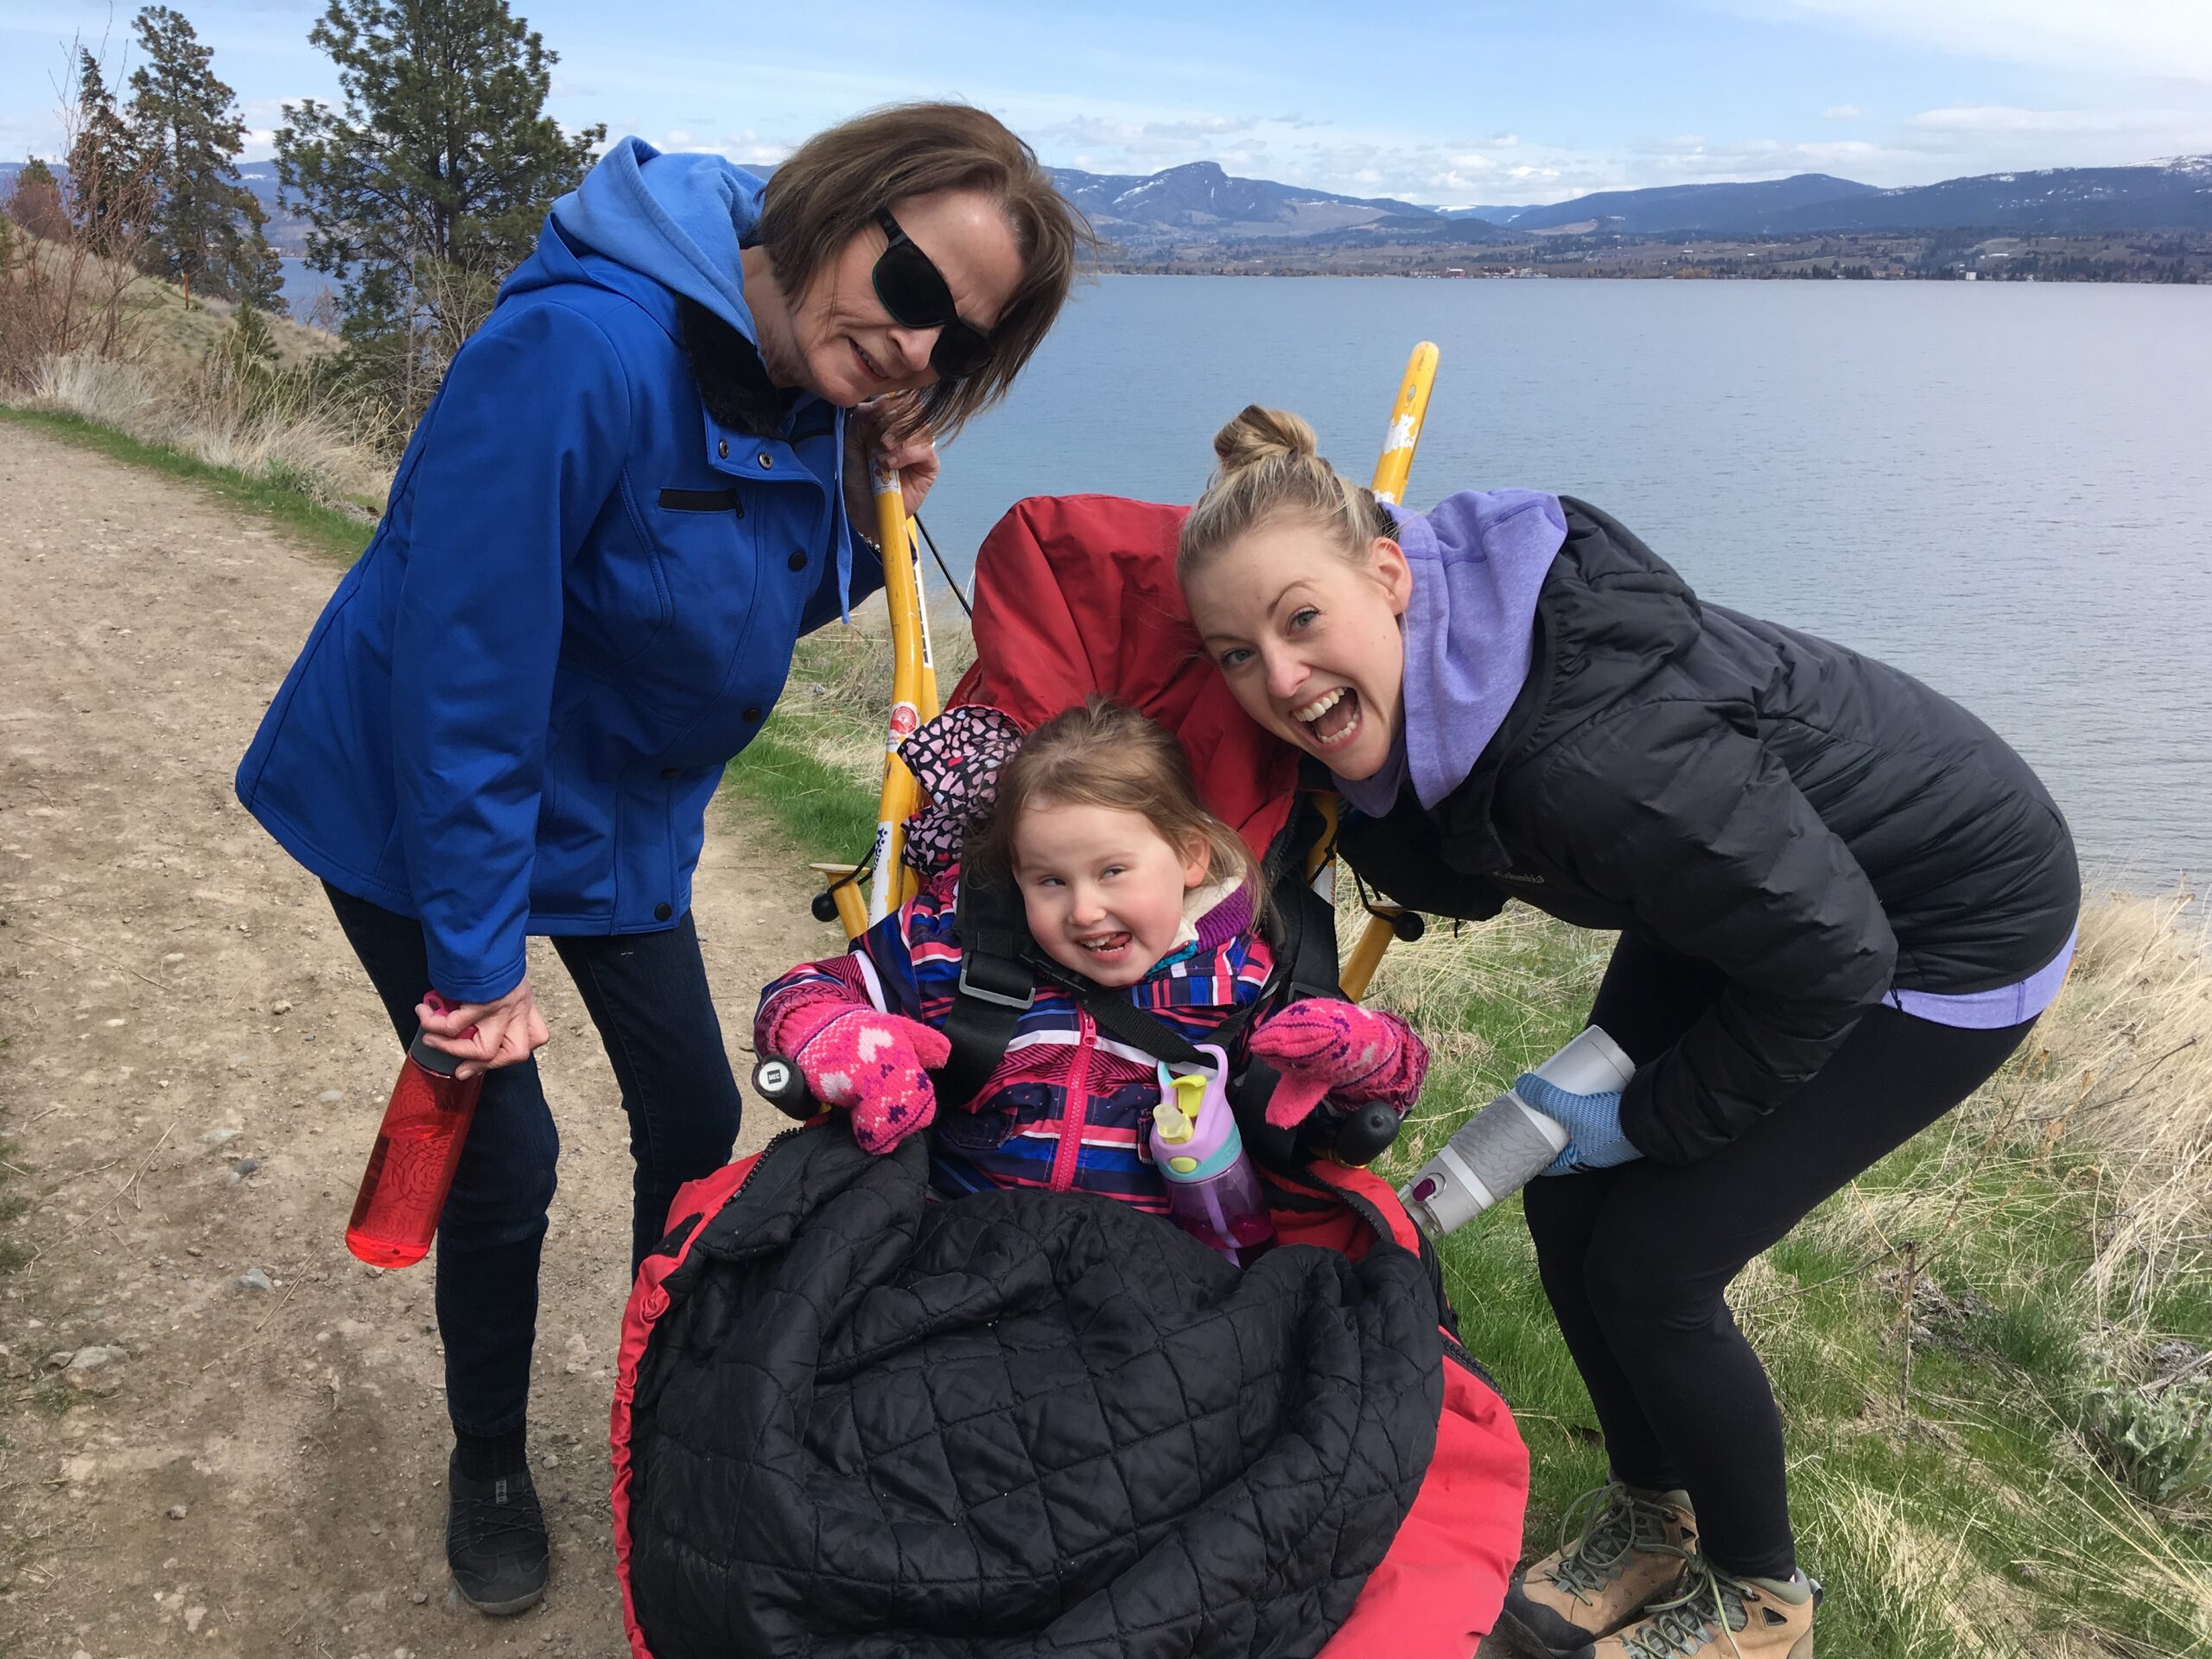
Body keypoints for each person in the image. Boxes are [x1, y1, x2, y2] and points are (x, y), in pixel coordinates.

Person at [233, 104, 1086, 1616]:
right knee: (509, 1153)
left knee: (696, 1126)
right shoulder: (581, 355)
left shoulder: (805, 383)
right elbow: (467, 680)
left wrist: (863, 518)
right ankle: (488, 1458)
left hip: (606, 804)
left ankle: (664, 1420)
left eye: (956, 341)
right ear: (835, 211)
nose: (913, 350)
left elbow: (717, 607)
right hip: (418, 798)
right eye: (910, 291)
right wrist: (481, 967)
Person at [1175, 408, 2080, 1659]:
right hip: (1745, 894)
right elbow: (1481, 866)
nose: (1277, 678)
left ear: (1390, 574)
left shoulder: (1586, 756)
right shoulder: (1458, 662)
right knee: (1563, 1197)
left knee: (1654, 1263)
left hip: (1936, 939)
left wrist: (1648, 1119)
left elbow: (1829, 959)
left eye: (1301, 620)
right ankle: (1652, 1522)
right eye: (1235, 653)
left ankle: (1762, 1598)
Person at [754, 696, 1427, 1212]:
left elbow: (1314, 1126)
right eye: (1049, 880)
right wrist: (829, 1031)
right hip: (956, 1241)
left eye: (1112, 872)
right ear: (1015, 874)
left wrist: (1370, 1060)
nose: (1082, 910)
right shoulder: (951, 945)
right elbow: (807, 989)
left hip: (1149, 1278)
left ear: (1191, 856)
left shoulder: (1244, 981)